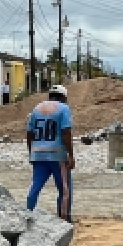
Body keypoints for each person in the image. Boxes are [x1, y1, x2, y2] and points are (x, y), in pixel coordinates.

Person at [26, 84, 74, 221]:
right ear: (63, 97)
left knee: (35, 187)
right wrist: (71, 155)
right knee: (64, 190)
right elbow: (66, 132)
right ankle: (64, 219)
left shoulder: (36, 109)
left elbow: (29, 133)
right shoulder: (64, 108)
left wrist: (31, 151)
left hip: (38, 154)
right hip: (57, 155)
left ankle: (28, 214)